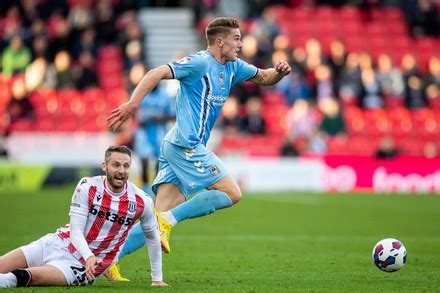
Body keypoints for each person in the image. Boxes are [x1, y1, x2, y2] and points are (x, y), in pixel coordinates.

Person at [106, 16, 291, 279]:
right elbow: (156, 72)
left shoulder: (234, 66)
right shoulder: (199, 62)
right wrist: (134, 103)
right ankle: (168, 223)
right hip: (185, 145)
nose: (240, 44)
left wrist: (280, 72)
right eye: (236, 39)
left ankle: (110, 258)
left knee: (158, 214)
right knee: (232, 192)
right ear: (219, 41)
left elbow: (264, 77)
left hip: (176, 145)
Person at [0, 146, 167, 288]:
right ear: (105, 166)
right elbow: (76, 230)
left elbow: (152, 237)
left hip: (81, 267)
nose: (121, 171)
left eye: (126, 166)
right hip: (58, 243)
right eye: (116, 165)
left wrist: (157, 279)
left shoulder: (141, 201)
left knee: (22, 277)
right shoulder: (88, 186)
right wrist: (89, 255)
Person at [134, 84, 176, 193]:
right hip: (143, 132)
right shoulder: (141, 92)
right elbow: (133, 110)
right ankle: (145, 188)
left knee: (159, 162)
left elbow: (173, 115)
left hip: (159, 133)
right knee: (144, 161)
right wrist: (138, 119)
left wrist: (159, 118)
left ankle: (156, 188)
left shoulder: (165, 96)